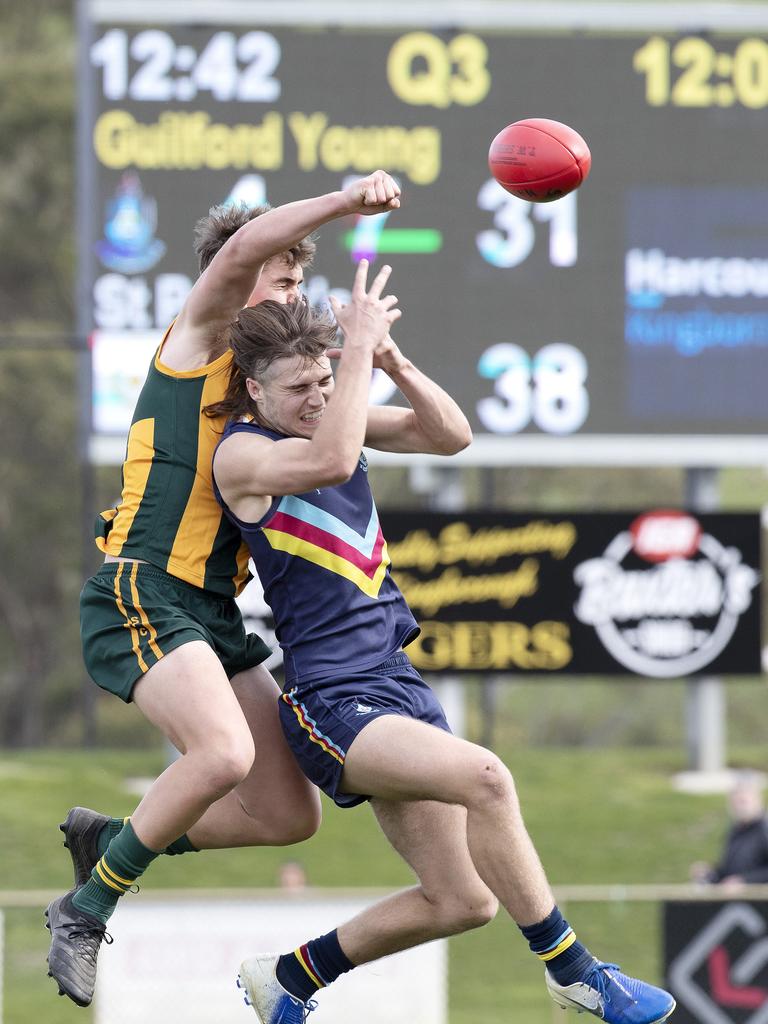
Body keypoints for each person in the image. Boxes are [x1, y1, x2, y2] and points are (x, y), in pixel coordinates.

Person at [210, 261, 677, 1024]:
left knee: (464, 900)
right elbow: (329, 458)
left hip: (394, 680)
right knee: (488, 777)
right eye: (298, 388)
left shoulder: (337, 417)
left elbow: (450, 435)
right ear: (256, 390)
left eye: (324, 381)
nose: (318, 397)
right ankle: (576, 974)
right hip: (331, 698)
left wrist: (388, 357)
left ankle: (290, 977)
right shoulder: (245, 453)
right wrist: (355, 348)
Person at [44, 171, 403, 1008]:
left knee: (287, 814)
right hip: (144, 587)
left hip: (210, 613)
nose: (292, 291)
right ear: (233, 282)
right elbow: (244, 250)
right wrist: (348, 200)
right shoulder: (198, 338)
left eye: (298, 280)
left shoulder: (268, 391)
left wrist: (376, 364)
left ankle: (116, 840)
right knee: (225, 754)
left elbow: (424, 435)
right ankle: (87, 907)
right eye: (281, 278)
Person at [690, 773, 768, 890]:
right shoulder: (735, 831)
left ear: (757, 800)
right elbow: (728, 871)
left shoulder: (764, 829)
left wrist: (746, 880)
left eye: (743, 801)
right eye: (735, 802)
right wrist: (710, 874)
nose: (739, 807)